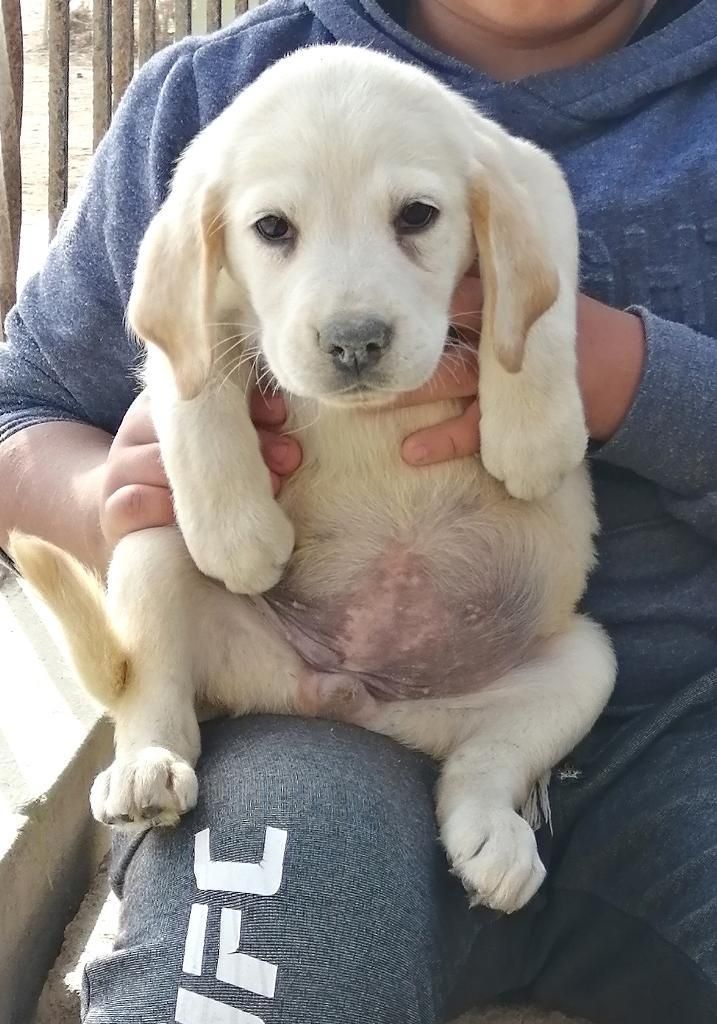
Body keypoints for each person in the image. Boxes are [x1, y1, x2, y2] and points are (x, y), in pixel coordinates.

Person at [1, 0, 716, 1020]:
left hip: (663, 722)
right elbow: (20, 410)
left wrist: (628, 376)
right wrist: (109, 498)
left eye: (416, 218)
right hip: (298, 733)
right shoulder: (211, 99)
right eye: (276, 231)